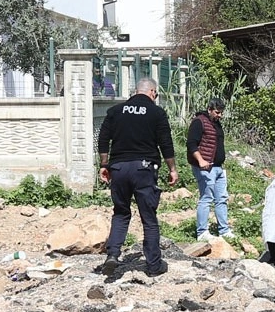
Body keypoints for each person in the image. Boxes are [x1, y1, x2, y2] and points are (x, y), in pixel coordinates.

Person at [96, 77, 178, 277]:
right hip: (144, 169)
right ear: (151, 92)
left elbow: (103, 138)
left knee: (121, 213)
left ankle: (113, 255)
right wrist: (172, 169)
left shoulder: (115, 111)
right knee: (148, 218)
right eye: (156, 94)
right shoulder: (156, 113)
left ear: (135, 92)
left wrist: (104, 164)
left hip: (119, 168)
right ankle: (153, 265)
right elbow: (165, 143)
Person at [187, 97, 233, 241]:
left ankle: (224, 230)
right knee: (206, 198)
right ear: (210, 110)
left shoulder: (216, 124)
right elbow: (191, 144)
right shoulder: (199, 122)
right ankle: (202, 232)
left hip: (218, 168)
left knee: (221, 199)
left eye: (221, 113)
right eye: (217, 112)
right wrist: (200, 160)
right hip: (206, 168)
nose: (220, 115)